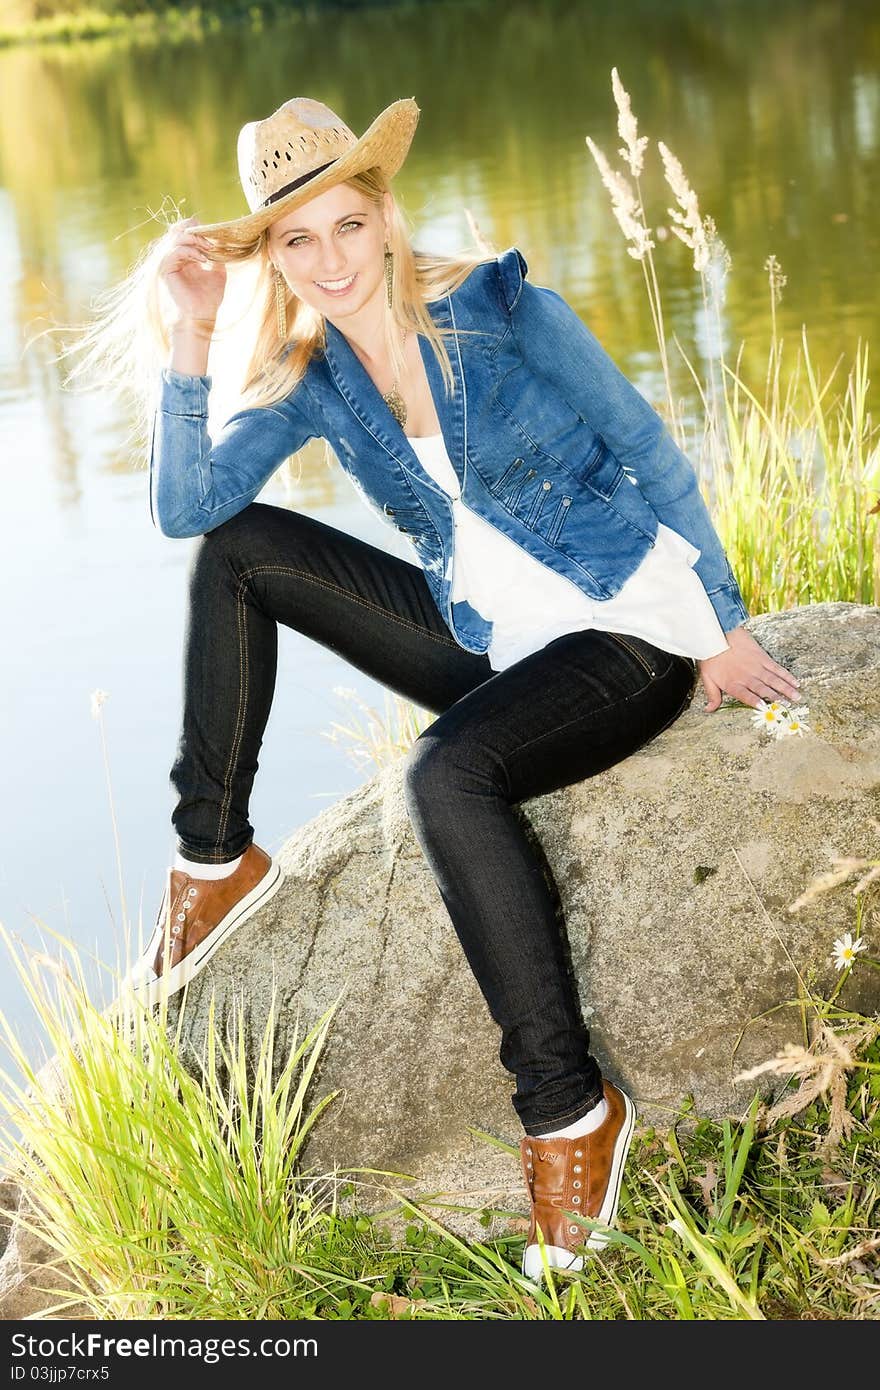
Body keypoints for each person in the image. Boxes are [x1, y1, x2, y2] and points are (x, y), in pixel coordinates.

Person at [86, 94, 800, 1282]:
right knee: (241, 554)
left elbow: (649, 448)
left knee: (448, 774)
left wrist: (718, 627)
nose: (329, 262)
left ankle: (569, 1115)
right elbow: (186, 509)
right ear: (273, 256)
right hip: (489, 636)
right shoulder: (312, 375)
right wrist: (190, 335)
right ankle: (214, 862)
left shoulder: (501, 309)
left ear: (384, 214)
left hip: (621, 625)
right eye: (296, 242)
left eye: (347, 226)